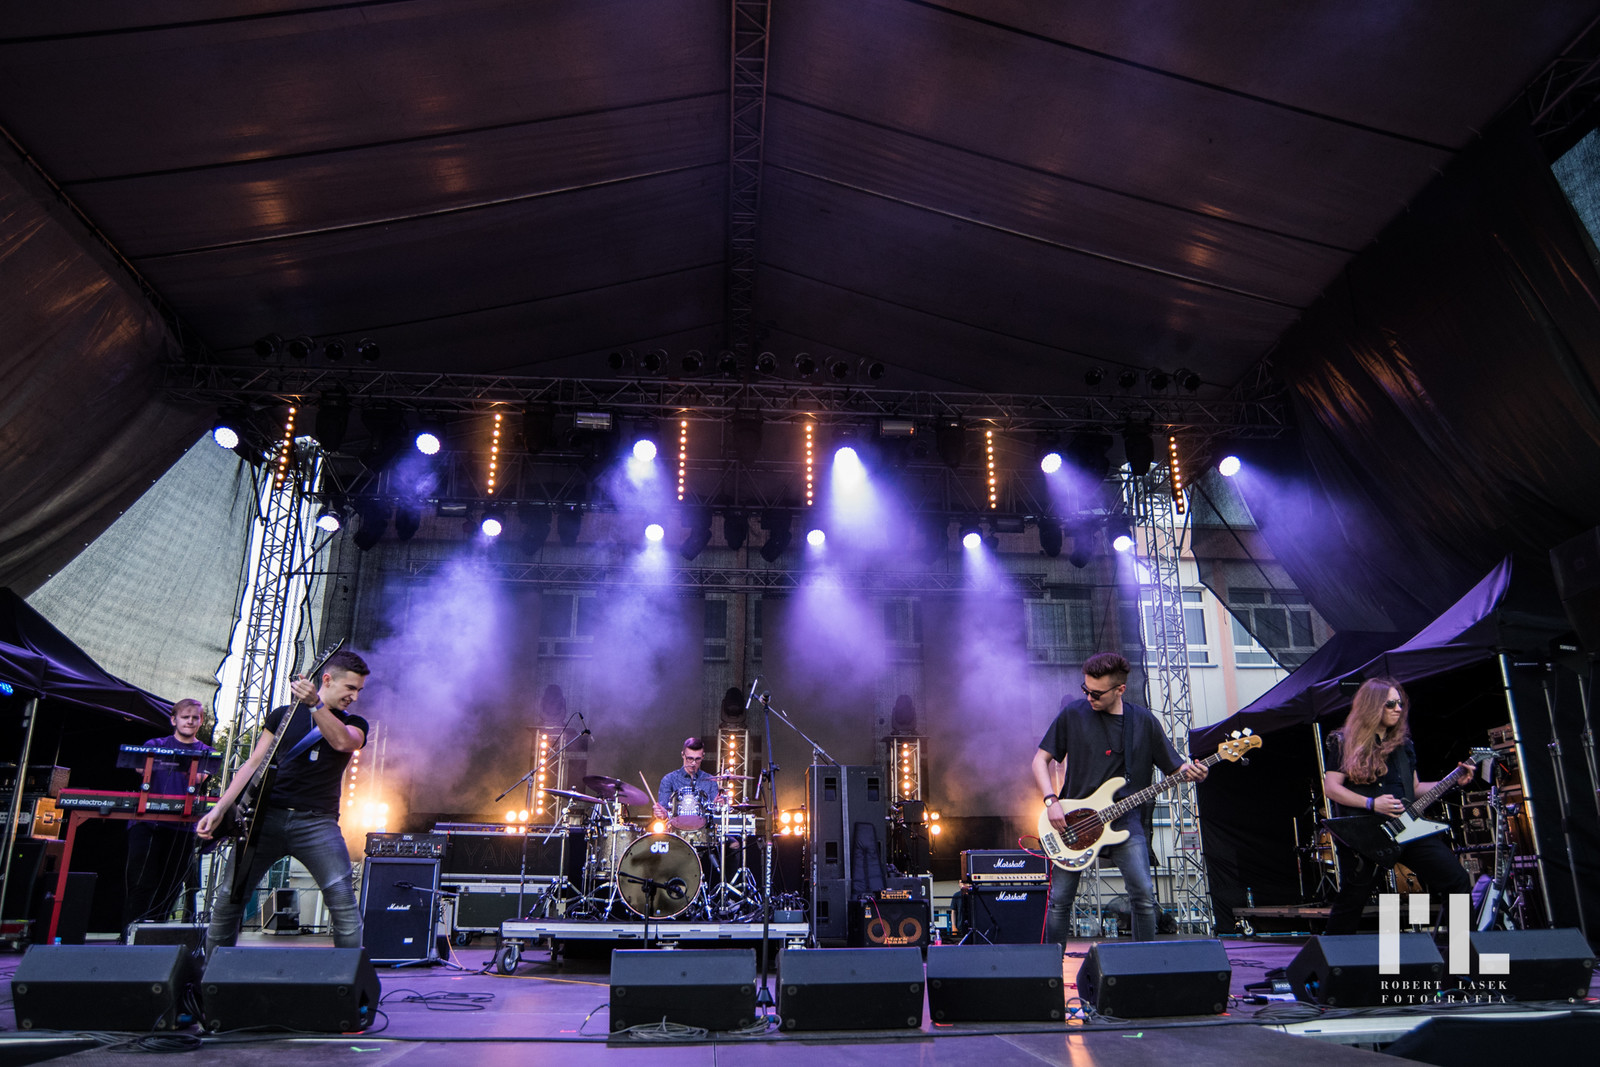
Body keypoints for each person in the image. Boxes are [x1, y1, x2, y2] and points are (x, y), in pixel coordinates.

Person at [197, 650, 371, 953]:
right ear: (327, 680)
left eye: (359, 690)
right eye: (350, 688)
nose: (354, 696)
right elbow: (254, 763)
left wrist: (316, 705)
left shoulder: (354, 722)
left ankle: (351, 978)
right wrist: (220, 808)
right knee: (229, 900)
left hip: (317, 823)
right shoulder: (283, 714)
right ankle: (211, 974)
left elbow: (343, 741)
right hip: (265, 819)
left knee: (343, 902)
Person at [1032, 652, 1208, 944]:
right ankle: (1052, 964)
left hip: (1124, 820)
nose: (1089, 697)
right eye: (1086, 689)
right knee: (1060, 901)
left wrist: (1194, 771)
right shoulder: (1073, 714)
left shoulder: (1144, 722)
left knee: (1144, 896)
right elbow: (1040, 760)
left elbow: (1175, 768)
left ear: (1120, 690)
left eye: (1097, 693)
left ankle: (1141, 964)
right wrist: (1051, 801)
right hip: (1073, 822)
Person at [1322, 677, 1474, 934]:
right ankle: (1331, 957)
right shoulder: (1344, 742)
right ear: (1372, 706)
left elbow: (1415, 788)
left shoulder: (1404, 746)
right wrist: (1371, 803)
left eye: (1400, 703)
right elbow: (1332, 788)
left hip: (1406, 829)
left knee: (1456, 880)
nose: (1398, 709)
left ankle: (1462, 952)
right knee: (1352, 901)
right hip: (1367, 835)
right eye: (1390, 704)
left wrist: (1452, 782)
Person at [123, 698, 214, 934]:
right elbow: (139, 767)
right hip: (147, 822)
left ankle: (154, 936)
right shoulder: (155, 744)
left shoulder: (206, 752)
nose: (190, 722)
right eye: (185, 717)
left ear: (201, 721)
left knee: (170, 886)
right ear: (174, 720)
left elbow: (199, 777)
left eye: (195, 718)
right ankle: (130, 935)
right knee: (141, 881)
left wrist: (171, 762)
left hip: (181, 827)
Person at [653, 736, 719, 826]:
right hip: (676, 830)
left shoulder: (711, 780)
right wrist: (661, 813)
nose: (693, 763)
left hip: (704, 830)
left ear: (703, 756)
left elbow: (715, 813)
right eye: (690, 758)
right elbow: (663, 812)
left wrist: (718, 806)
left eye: (697, 759)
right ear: (683, 755)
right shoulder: (669, 780)